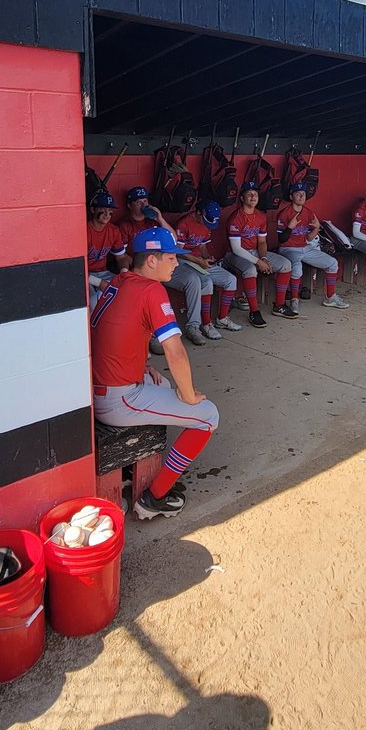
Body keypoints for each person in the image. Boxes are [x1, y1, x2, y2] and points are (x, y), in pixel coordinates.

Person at [90, 226, 219, 519]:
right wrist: (189, 395)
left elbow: (116, 335)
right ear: (151, 260)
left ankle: (129, 468)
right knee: (208, 415)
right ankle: (155, 497)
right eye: (171, 257)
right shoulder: (151, 289)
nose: (176, 263)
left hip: (99, 387)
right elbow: (175, 351)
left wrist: (140, 363)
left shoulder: (120, 280)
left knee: (161, 383)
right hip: (117, 398)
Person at [119, 186, 215, 347]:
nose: (143, 205)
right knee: (151, 290)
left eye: (145, 201)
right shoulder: (125, 225)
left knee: (193, 280)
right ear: (129, 205)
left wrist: (160, 218)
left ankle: (193, 327)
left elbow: (174, 240)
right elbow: (122, 256)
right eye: (139, 202)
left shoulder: (153, 222)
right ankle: (150, 334)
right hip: (141, 270)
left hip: (162, 267)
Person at [223, 182, 295, 327]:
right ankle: (254, 311)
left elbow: (262, 242)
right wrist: (258, 262)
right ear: (242, 198)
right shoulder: (236, 218)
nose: (253, 197)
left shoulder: (261, 216)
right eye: (249, 194)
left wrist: (263, 258)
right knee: (250, 270)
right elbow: (236, 249)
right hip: (235, 255)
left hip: (255, 252)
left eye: (255, 194)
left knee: (286, 264)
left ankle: (279, 305)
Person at [277, 182, 350, 314]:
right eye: (298, 194)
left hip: (305, 247)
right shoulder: (284, 213)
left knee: (332, 263)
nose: (301, 196)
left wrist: (316, 228)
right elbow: (281, 239)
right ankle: (294, 299)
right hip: (288, 248)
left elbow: (309, 238)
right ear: (291, 196)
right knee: (297, 268)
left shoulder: (308, 213)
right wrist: (290, 227)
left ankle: (330, 297)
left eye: (303, 194)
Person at [175, 200, 243, 333]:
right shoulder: (184, 224)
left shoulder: (207, 223)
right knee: (207, 282)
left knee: (230, 280)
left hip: (199, 261)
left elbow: (202, 246)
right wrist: (198, 261)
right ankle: (206, 324)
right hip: (183, 262)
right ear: (199, 212)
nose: (208, 224)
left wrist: (207, 257)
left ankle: (222, 318)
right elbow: (178, 251)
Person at [87, 191, 128, 311]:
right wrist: (99, 283)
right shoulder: (84, 230)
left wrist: (124, 272)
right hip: (84, 275)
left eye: (110, 210)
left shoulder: (113, 230)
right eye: (103, 209)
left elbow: (121, 257)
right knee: (92, 301)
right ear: (93, 209)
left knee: (127, 290)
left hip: (103, 272)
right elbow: (75, 268)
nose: (107, 214)